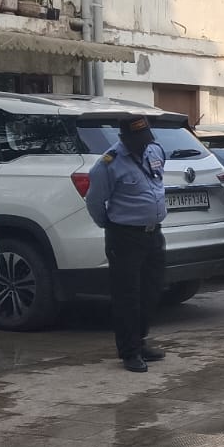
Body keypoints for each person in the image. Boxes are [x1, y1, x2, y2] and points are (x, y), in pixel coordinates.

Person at [83, 117, 169, 373]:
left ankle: (140, 341)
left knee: (151, 290)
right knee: (127, 296)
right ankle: (129, 351)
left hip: (153, 233)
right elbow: (94, 201)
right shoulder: (108, 164)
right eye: (137, 142)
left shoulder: (154, 150)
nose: (143, 146)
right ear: (123, 139)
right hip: (125, 236)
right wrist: (110, 226)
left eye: (145, 140)